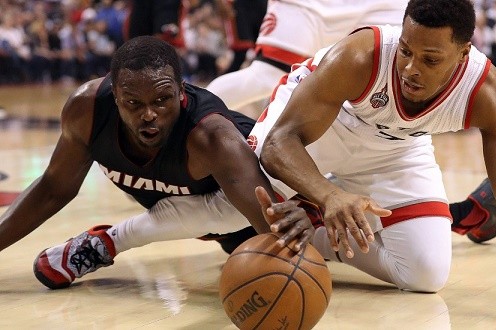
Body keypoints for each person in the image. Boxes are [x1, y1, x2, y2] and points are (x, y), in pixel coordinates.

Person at [251, 0, 496, 328]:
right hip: (333, 126)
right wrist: (327, 194)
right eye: (407, 51)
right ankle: (288, 191)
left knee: (426, 271)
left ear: (464, 53)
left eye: (431, 59)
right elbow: (280, 143)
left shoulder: (491, 94)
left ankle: (310, 225)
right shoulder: (363, 52)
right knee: (233, 209)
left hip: (398, 145)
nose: (411, 68)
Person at [0, 36, 313, 289]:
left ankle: (107, 242)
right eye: (133, 103)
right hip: (196, 222)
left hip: (260, 199)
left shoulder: (212, 137)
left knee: (323, 251)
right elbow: (54, 188)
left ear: (181, 91)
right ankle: (101, 243)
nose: (148, 114)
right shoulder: (88, 110)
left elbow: (272, 224)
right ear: (115, 95)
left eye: (162, 100)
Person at [205, 0, 409, 117]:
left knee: (386, 77)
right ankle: (188, 120)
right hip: (309, 3)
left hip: (385, 3)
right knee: (266, 77)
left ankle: (354, 165)